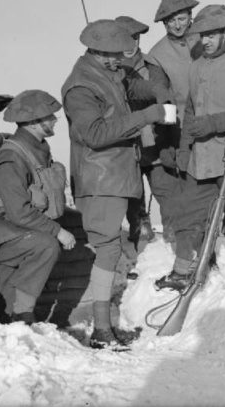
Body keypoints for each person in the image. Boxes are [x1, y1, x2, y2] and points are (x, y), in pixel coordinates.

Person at [61, 19, 175, 349]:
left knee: (111, 253)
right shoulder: (81, 87)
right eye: (111, 55)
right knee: (108, 251)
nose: (118, 60)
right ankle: (101, 329)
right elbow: (94, 134)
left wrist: (160, 92)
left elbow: (132, 86)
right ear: (93, 52)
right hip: (100, 180)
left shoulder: (107, 72)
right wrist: (148, 116)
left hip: (116, 177)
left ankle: (105, 326)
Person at [155, 4, 225, 290]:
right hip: (201, 156)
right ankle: (183, 271)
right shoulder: (197, 66)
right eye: (201, 35)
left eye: (211, 35)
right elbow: (190, 114)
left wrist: (213, 124)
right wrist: (184, 149)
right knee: (189, 213)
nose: (204, 41)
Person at [0, 90, 76, 325]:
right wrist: (58, 231)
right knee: (46, 245)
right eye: (49, 117)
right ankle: (23, 313)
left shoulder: (37, 149)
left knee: (10, 288)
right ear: (34, 123)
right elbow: (19, 211)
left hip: (14, 226)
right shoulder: (11, 159)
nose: (55, 120)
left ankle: (10, 319)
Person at [115, 15, 180, 248]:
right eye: (126, 38)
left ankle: (174, 237)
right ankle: (141, 238)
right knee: (134, 197)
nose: (132, 43)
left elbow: (163, 93)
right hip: (125, 143)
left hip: (154, 139)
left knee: (167, 192)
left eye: (135, 37)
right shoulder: (109, 69)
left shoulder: (152, 65)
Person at [146, 0, 203, 242]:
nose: (177, 25)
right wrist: (169, 139)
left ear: (191, 16)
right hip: (183, 128)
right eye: (171, 21)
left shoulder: (207, 37)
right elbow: (162, 96)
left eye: (181, 18)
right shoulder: (157, 54)